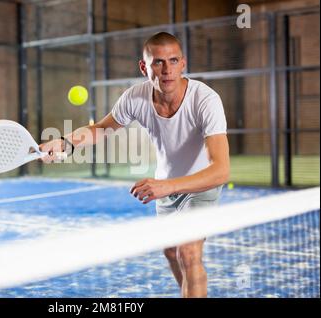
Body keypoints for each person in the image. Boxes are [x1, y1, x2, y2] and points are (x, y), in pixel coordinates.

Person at [40, 32, 230, 298]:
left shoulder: (206, 100)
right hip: (166, 186)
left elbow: (221, 170)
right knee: (170, 252)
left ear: (183, 64)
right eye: (158, 62)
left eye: (173, 61)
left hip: (201, 185)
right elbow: (103, 129)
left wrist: (167, 186)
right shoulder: (135, 97)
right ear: (144, 67)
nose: (167, 70)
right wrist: (66, 142)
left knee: (188, 252)